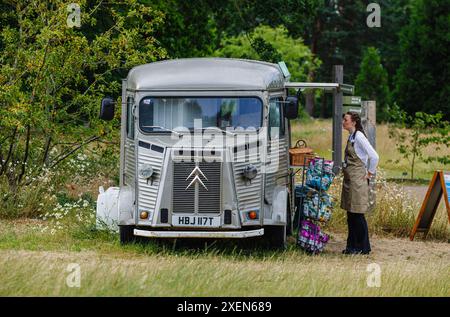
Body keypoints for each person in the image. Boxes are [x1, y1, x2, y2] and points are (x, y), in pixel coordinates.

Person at [341, 112, 379, 255]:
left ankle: (362, 247)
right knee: (351, 215)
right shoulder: (351, 136)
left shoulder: (359, 137)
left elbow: (374, 156)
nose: (343, 122)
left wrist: (369, 173)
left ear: (354, 122)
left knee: (357, 215)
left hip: (358, 181)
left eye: (346, 120)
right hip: (350, 180)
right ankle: (352, 247)